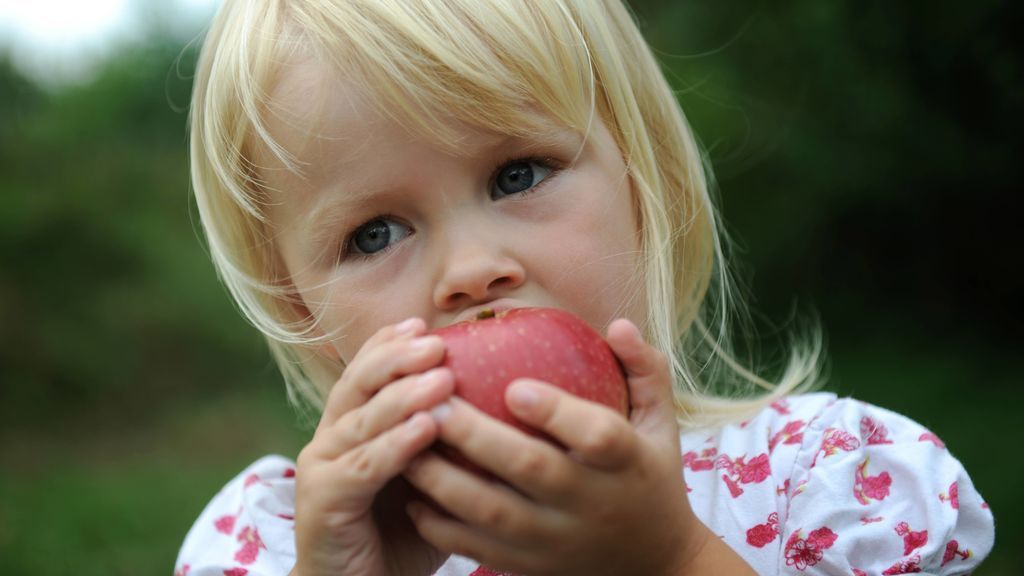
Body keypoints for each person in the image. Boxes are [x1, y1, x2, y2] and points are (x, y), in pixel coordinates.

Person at [175, 0, 995, 574]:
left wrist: (669, 561)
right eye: (375, 233)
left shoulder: (815, 486)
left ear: (647, 183)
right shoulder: (281, 547)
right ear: (299, 311)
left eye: (517, 173)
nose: (471, 272)